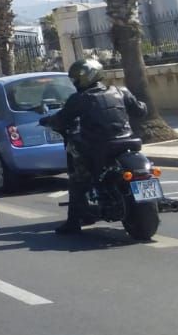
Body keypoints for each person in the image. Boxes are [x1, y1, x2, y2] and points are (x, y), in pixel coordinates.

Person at [40, 57, 148, 235]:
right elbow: (140, 111)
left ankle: (73, 222)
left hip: (99, 147)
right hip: (129, 142)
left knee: (78, 178)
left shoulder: (80, 99)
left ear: (85, 77)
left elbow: (61, 119)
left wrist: (49, 121)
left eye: (76, 78)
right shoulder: (121, 91)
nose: (74, 82)